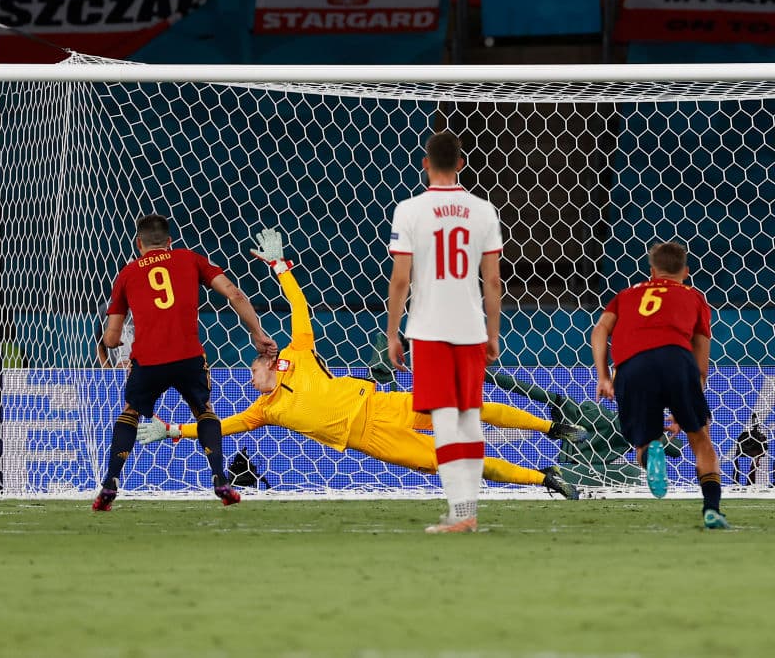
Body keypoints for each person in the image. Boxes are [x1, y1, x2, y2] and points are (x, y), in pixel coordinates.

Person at [136, 228, 582, 499]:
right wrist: (175, 430)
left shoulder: (297, 355)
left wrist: (279, 267)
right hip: (371, 440)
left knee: (463, 409)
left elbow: (299, 310)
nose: (249, 381)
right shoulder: (264, 412)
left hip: (379, 406)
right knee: (457, 460)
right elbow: (223, 426)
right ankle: (544, 478)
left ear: (266, 363)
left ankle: (551, 427)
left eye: (251, 372)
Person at [91, 214, 278, 511]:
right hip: (188, 357)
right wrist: (257, 333)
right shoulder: (190, 259)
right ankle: (220, 478)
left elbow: (112, 337)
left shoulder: (126, 274)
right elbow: (234, 292)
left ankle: (110, 482)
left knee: (131, 412)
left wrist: (115, 340)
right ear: (169, 242)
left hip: (148, 360)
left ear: (138, 243)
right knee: (204, 411)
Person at [386, 131, 503, 534]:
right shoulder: (484, 210)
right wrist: (493, 332)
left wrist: (392, 333)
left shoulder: (409, 210)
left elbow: (401, 279)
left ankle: (461, 511)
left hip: (429, 328)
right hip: (471, 327)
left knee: (445, 420)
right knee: (470, 417)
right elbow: (492, 282)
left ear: (424, 164)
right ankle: (467, 510)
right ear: (461, 164)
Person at [591, 241, 728, 528]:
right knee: (701, 438)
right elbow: (701, 363)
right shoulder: (695, 297)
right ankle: (712, 509)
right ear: (686, 272)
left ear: (652, 271)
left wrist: (604, 376)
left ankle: (652, 452)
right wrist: (688, 400)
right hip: (677, 360)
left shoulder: (626, 295)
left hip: (632, 366)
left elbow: (600, 329)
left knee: (644, 443)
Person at [94, 301, 134, 368]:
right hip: (115, 373)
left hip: (142, 371)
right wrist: (109, 371)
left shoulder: (149, 308)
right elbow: (99, 346)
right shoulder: (105, 308)